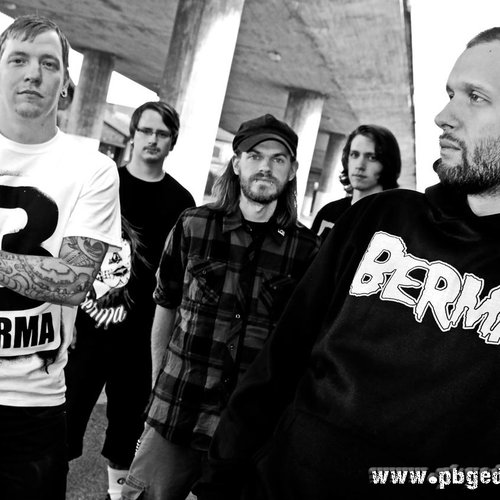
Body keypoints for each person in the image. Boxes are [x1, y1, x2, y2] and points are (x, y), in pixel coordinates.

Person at [193, 27, 500, 500]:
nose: (444, 116)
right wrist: (219, 480)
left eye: (476, 97)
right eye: (450, 95)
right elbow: (281, 359)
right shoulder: (380, 217)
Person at [121, 113, 320, 500]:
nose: (266, 167)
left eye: (278, 159)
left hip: (248, 428)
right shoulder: (193, 225)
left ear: (293, 170)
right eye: (255, 155)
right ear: (237, 163)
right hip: (178, 409)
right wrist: (159, 381)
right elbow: (166, 304)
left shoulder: (307, 250)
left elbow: (301, 342)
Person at [0, 15, 121, 500]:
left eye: (49, 64)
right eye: (18, 60)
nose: (33, 73)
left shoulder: (93, 169)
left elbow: (72, 281)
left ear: (66, 84)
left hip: (31, 405)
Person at [65, 101, 195, 500]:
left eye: (162, 133)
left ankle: (116, 495)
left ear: (172, 142)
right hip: (88, 329)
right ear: (133, 135)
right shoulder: (105, 183)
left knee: (126, 436)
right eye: (146, 131)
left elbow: (179, 279)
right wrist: (65, 315)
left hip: (140, 339)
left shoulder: (181, 202)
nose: (153, 139)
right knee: (62, 426)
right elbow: (69, 251)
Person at [311, 124, 401, 239]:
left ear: (388, 163)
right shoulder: (328, 212)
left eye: (372, 157)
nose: (360, 165)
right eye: (354, 155)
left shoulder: (396, 221)